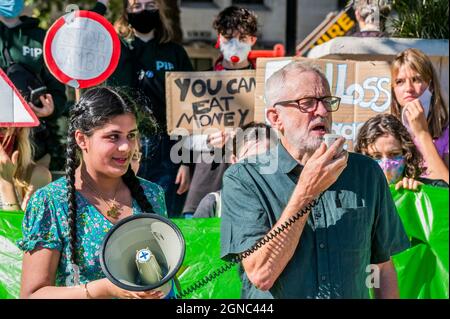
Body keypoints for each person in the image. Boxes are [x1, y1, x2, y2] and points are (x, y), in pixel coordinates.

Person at [220, 60, 410, 299]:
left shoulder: (366, 173)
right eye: (306, 103)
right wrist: (307, 191)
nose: (321, 111)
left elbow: (382, 266)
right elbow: (261, 274)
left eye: (326, 102)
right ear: (275, 117)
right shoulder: (245, 178)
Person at [18, 87, 166, 299]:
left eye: (131, 135)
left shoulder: (152, 194)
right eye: (113, 136)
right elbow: (32, 295)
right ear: (81, 139)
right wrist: (101, 289)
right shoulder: (50, 202)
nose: (126, 147)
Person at [104, 0, 194, 217]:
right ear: (126, 11)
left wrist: (186, 161)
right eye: (137, 5)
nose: (144, 10)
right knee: (124, 213)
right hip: (126, 143)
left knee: (165, 214)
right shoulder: (118, 49)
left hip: (168, 147)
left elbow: (189, 109)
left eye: (150, 4)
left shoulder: (174, 52)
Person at [181, 6, 258, 216]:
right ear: (219, 39)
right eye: (228, 37)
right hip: (205, 182)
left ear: (252, 40)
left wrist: (246, 138)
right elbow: (182, 137)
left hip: (251, 183)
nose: (235, 44)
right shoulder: (200, 84)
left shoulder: (264, 84)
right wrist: (206, 141)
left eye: (241, 38)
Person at [0, 0, 67, 170]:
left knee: (36, 180)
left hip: (33, 139)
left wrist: (52, 109)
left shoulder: (41, 38)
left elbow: (57, 89)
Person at [193, 122, 276, 218]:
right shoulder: (214, 204)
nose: (259, 167)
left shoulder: (287, 202)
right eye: (250, 160)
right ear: (234, 160)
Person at [391, 48, 449, 184]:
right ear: (393, 89)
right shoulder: (386, 131)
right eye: (400, 82)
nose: (408, 88)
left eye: (416, 79)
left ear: (431, 85)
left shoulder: (446, 131)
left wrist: (422, 133)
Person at [355, 114, 448, 190]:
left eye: (393, 154)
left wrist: (426, 192)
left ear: (407, 154)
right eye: (376, 156)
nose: (386, 163)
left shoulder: (433, 187)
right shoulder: (355, 195)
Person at [0, 126, 51, 211]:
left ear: (18, 130)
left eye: (3, 128)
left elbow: (20, 224)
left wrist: (6, 182)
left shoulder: (37, 175)